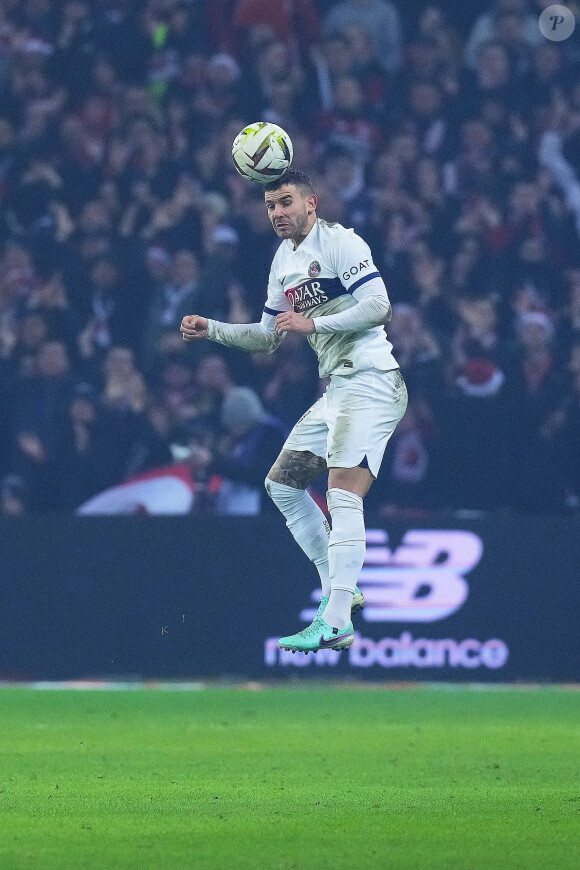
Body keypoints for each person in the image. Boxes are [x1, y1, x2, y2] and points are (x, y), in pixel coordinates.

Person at [180, 167, 407, 654]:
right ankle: (338, 593)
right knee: (281, 485)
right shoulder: (283, 261)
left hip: (370, 379)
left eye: (286, 202)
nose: (278, 213)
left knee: (343, 495)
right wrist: (213, 329)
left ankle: (337, 618)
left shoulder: (341, 243)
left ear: (312, 203)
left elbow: (379, 305)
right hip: (340, 391)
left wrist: (314, 324)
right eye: (270, 206)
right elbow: (267, 337)